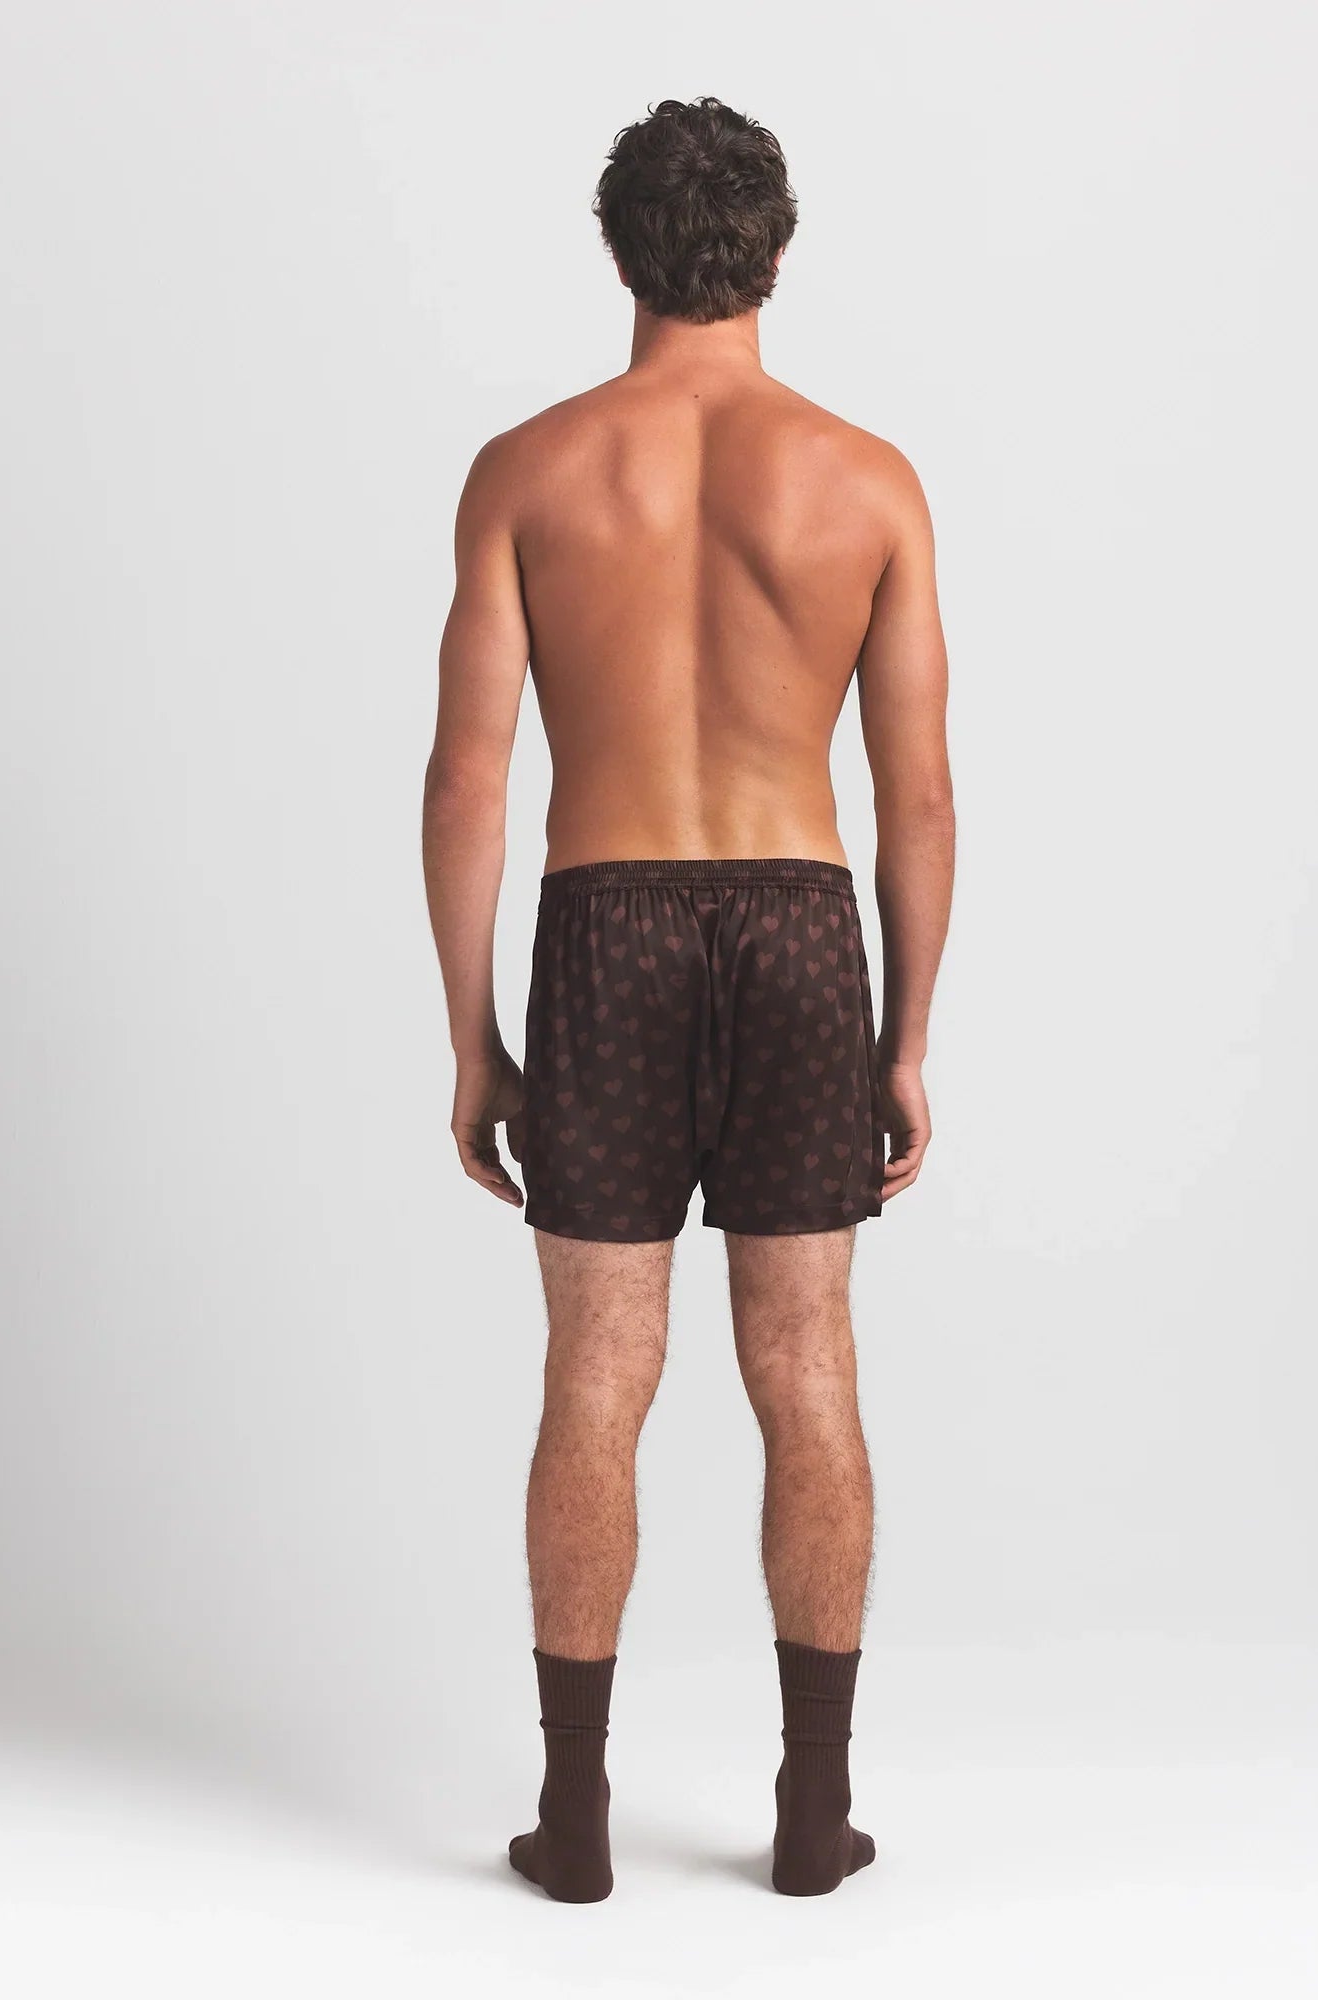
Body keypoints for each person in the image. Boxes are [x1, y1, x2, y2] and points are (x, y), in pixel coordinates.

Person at [422, 96, 953, 1902]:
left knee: (597, 1370)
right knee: (806, 1369)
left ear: (618, 250)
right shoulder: (868, 480)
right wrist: (905, 1039)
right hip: (802, 929)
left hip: (606, 928)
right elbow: (920, 795)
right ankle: (815, 1814)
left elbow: (468, 780)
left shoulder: (528, 471)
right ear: (776, 252)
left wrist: (471, 1037)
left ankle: (574, 1818)